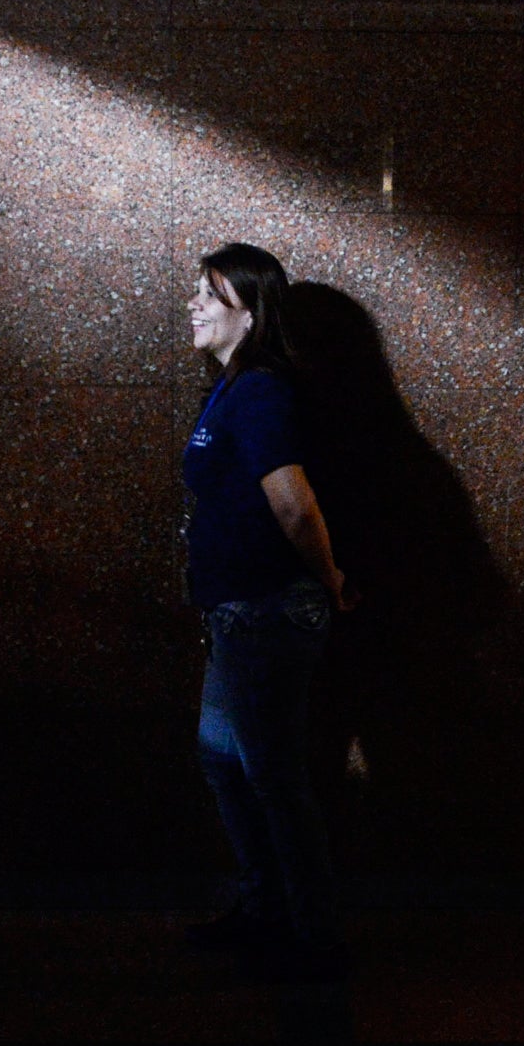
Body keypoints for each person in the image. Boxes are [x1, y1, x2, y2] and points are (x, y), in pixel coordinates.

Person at [181, 243, 357, 981]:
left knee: (273, 776)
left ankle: (311, 935)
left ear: (249, 314)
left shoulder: (258, 392)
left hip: (269, 613)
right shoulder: (227, 389)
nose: (191, 303)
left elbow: (291, 499)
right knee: (225, 759)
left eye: (210, 295)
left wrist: (331, 578)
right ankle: (266, 908)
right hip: (236, 616)